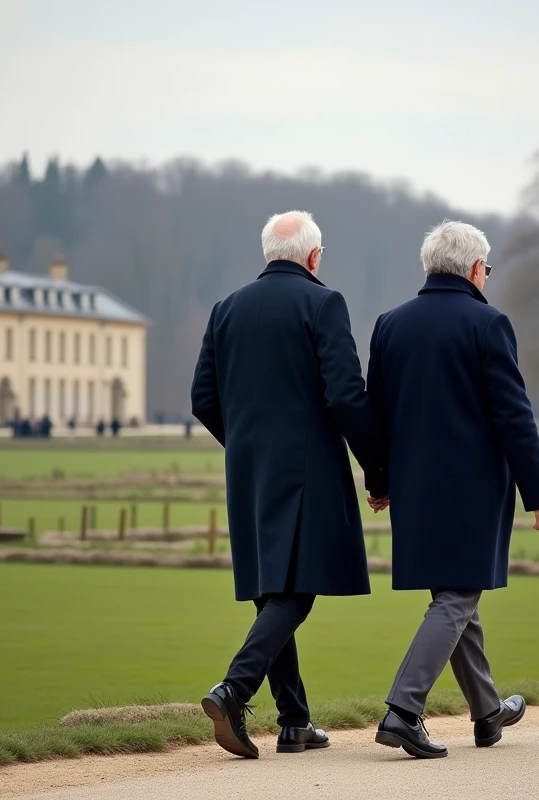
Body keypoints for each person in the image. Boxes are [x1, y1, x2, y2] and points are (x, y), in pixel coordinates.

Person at [190, 210, 386, 759]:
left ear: (266, 254)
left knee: (272, 590)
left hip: (248, 471)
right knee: (295, 591)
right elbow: (347, 395)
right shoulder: (324, 303)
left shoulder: (225, 309)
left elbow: (202, 398)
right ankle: (234, 689)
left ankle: (295, 722)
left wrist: (247, 445)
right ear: (314, 257)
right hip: (307, 470)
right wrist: (377, 469)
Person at [367, 220, 539, 759]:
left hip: (413, 489)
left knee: (456, 598)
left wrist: (379, 480)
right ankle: (404, 711)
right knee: (457, 597)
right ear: (476, 270)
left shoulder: (390, 324)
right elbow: (513, 417)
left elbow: (373, 414)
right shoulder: (488, 323)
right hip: (471, 491)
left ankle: (487, 711)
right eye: (488, 269)